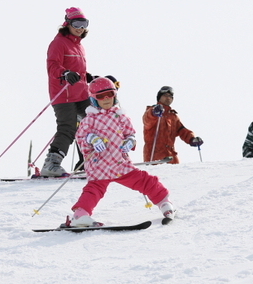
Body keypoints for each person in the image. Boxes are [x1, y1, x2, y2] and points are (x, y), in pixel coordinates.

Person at [68, 77, 175, 227]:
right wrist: (92, 139)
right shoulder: (90, 119)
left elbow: (130, 134)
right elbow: (80, 136)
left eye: (110, 94)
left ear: (115, 95)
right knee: (93, 191)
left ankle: (164, 202)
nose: (106, 99)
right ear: (93, 99)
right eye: (100, 96)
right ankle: (80, 215)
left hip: (120, 163)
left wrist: (130, 141)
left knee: (145, 180)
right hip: (99, 165)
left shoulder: (121, 116)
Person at [40, 7, 92, 177]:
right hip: (64, 94)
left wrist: (86, 76)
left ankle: (88, 160)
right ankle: (51, 164)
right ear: (67, 23)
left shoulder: (78, 45)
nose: (80, 28)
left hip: (81, 93)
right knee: (68, 127)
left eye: (84, 24)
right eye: (76, 23)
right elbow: (52, 65)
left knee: (93, 121)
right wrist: (65, 73)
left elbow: (76, 67)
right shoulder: (58, 43)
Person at [142, 86, 203, 164]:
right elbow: (147, 120)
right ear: (159, 97)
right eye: (165, 95)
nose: (168, 98)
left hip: (171, 156)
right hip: (154, 155)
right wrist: (154, 113)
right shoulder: (151, 111)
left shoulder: (173, 117)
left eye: (170, 96)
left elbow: (182, 130)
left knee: (177, 171)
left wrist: (192, 139)